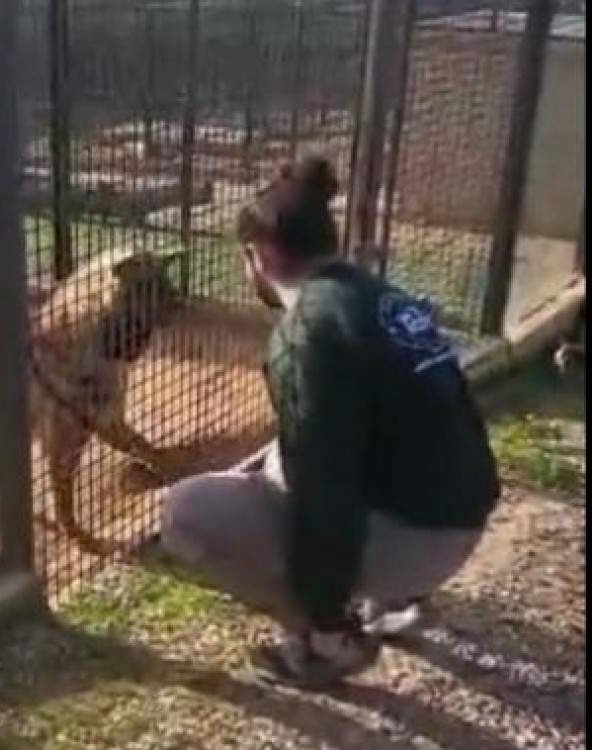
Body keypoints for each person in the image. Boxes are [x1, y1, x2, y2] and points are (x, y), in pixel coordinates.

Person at [160, 156, 501, 686]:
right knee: (293, 455)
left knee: (186, 512)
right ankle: (400, 600)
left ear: (261, 255)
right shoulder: (381, 297)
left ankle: (327, 643)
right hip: (461, 518)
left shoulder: (307, 332)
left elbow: (326, 489)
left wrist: (324, 610)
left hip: (418, 541)